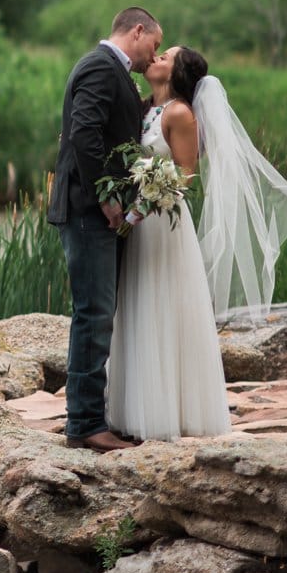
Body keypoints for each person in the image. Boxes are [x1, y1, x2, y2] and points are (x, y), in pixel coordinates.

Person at [48, 7, 161, 452]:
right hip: (87, 211)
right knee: (93, 316)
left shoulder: (110, 71)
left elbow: (114, 127)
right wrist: (107, 197)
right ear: (137, 31)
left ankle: (91, 417)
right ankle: (85, 425)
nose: (153, 55)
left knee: (98, 314)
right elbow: (85, 133)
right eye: (154, 44)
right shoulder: (98, 66)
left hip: (94, 212)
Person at [106, 46, 232, 442]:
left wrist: (145, 204)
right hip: (136, 221)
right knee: (137, 303)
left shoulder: (180, 113)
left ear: (176, 73)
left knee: (162, 303)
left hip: (163, 223)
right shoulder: (144, 109)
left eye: (166, 56)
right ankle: (131, 410)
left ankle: (168, 413)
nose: (156, 58)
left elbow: (184, 174)